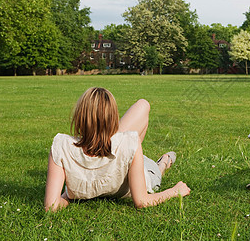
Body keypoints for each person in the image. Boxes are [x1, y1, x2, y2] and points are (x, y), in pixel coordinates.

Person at [44, 87, 190, 212]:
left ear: (80, 116)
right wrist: (174, 191)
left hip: (123, 157)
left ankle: (138, 158)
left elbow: (52, 206)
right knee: (154, 167)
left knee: (140, 113)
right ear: (113, 117)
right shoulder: (131, 141)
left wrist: (66, 196)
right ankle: (164, 162)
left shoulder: (61, 145)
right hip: (142, 170)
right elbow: (142, 201)